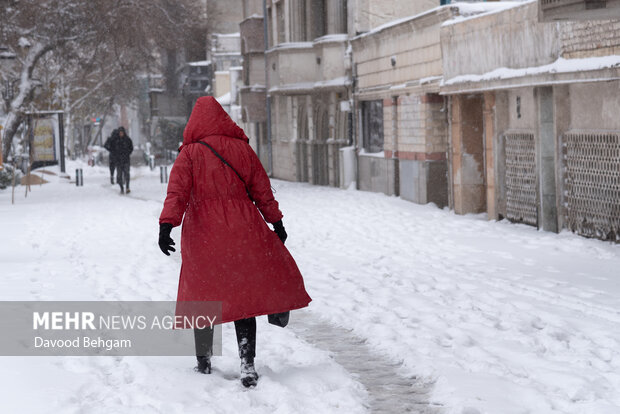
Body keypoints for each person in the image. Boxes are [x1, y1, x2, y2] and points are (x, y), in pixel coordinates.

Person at [157, 96, 311, 388]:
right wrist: (276, 221)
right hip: (243, 228)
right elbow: (262, 189)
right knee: (244, 299)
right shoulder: (242, 149)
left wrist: (166, 226)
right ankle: (247, 364)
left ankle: (203, 363)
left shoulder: (189, 153)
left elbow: (176, 193)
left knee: (203, 296)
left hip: (203, 233)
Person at [114, 126, 133, 194]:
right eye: (120, 133)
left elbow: (131, 148)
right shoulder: (116, 140)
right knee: (119, 176)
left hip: (126, 160)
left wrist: (127, 153)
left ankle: (127, 187)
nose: (121, 134)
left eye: (122, 132)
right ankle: (121, 187)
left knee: (126, 174)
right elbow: (112, 149)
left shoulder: (127, 140)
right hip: (118, 161)